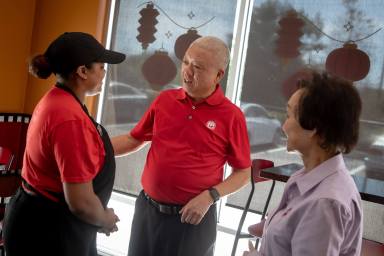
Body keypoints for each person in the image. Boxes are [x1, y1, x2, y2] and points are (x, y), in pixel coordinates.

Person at [112, 36, 252, 256]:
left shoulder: (232, 116)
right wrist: (91, 147)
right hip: (147, 212)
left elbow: (243, 172)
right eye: (186, 62)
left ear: (218, 75)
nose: (187, 71)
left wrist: (210, 196)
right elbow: (134, 139)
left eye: (197, 67)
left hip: (193, 221)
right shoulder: (164, 100)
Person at [3, 32, 126, 256]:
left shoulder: (58, 99)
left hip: (40, 218)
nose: (104, 72)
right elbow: (80, 202)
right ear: (82, 71)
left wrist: (141, 137)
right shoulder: (69, 118)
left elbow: (85, 153)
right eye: (101, 66)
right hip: (48, 232)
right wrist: (104, 218)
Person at [244, 70, 363, 256]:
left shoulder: (324, 203)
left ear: (314, 128)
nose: (283, 126)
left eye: (289, 115)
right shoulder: (307, 176)